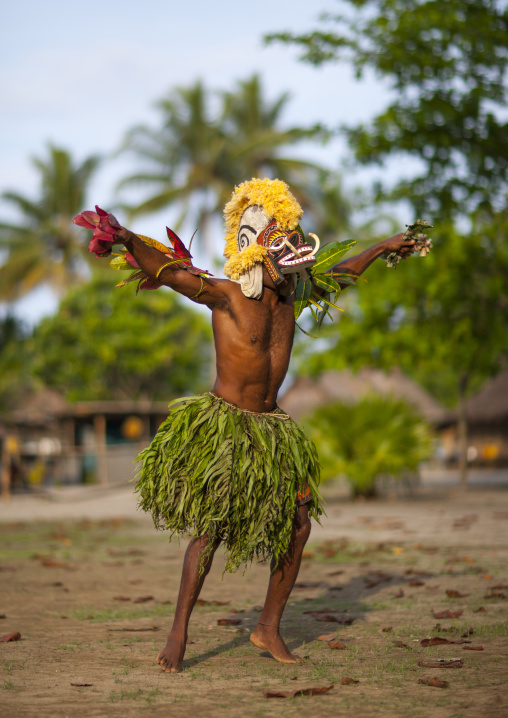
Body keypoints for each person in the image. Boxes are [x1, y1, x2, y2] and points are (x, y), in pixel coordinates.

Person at [75, 178, 415, 672]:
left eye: (297, 250)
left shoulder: (291, 299)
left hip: (274, 431)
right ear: (257, 252)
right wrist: (128, 238)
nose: (295, 261)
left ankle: (267, 628)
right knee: (210, 531)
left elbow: (340, 274)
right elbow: (172, 274)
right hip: (228, 427)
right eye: (285, 250)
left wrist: (383, 247)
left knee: (298, 527)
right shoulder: (229, 296)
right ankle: (178, 633)